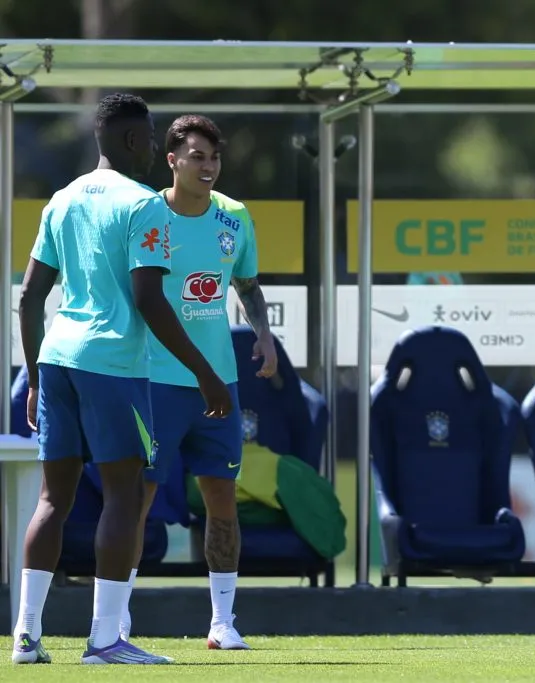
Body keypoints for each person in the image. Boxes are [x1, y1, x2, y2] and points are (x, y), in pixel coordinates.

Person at [12, 93, 233, 665]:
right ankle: (104, 640)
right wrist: (206, 374)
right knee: (124, 494)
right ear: (135, 140)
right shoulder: (144, 205)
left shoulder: (61, 199)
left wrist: (34, 376)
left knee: (52, 499)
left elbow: (31, 296)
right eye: (153, 133)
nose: (156, 144)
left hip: (59, 358)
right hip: (112, 365)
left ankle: (26, 637)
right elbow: (149, 300)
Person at [119, 114, 277, 651]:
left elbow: (249, 286)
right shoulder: (147, 214)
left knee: (222, 498)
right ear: (172, 161)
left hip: (222, 385)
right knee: (138, 498)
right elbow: (142, 296)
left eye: (213, 158)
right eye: (196, 157)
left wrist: (264, 335)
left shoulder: (235, 216)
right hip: (155, 380)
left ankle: (222, 622)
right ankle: (116, 620)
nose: (207, 167)